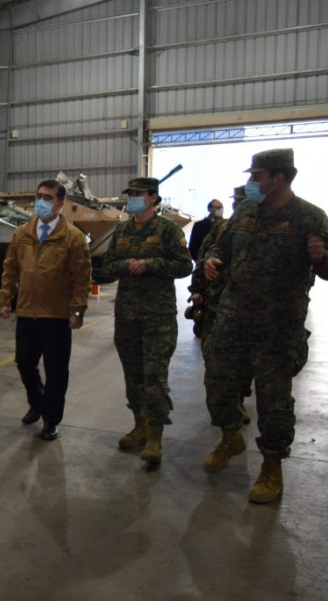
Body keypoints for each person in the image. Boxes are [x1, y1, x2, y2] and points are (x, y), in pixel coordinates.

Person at [201, 148, 328, 503]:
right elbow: (219, 247)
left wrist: (320, 258)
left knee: (274, 402)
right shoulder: (245, 212)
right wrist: (212, 260)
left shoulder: (309, 217)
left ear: (278, 177)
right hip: (232, 320)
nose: (250, 182)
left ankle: (271, 466)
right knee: (217, 384)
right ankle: (231, 436)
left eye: (256, 176)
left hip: (277, 329)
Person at [102, 177, 193, 466]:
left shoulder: (168, 229)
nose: (133, 198)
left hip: (158, 317)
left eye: (138, 194)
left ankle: (155, 437)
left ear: (153, 198)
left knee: (154, 378)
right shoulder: (123, 229)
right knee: (133, 377)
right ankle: (139, 426)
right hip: (127, 315)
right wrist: (126, 265)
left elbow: (184, 265)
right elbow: (108, 265)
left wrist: (151, 264)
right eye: (131, 194)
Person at [0, 179, 92, 441]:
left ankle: (51, 418)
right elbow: (10, 268)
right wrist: (6, 298)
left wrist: (78, 310)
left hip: (57, 315)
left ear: (61, 204)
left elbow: (82, 278)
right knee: (24, 364)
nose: (41, 201)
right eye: (39, 196)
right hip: (27, 312)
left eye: (48, 198)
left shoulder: (72, 237)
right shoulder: (22, 233)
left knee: (56, 369)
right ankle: (37, 403)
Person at [187, 186, 252, 424]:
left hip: (249, 307)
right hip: (216, 304)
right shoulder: (222, 230)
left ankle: (239, 399)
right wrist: (196, 291)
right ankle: (226, 404)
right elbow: (202, 259)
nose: (237, 206)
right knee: (213, 356)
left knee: (244, 358)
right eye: (235, 201)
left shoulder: (265, 229)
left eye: (241, 201)